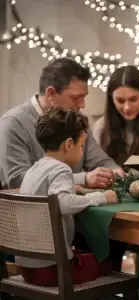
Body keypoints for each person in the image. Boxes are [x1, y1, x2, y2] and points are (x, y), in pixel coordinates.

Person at [16, 108, 119, 286]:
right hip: (53, 271)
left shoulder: (34, 169)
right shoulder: (62, 169)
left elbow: (51, 187)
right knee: (109, 261)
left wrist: (77, 183)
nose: (82, 150)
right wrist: (100, 197)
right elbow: (61, 201)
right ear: (68, 144)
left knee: (85, 253)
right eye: (81, 145)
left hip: (28, 269)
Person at [0, 58, 124, 190]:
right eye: (76, 97)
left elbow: (101, 162)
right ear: (51, 94)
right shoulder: (13, 123)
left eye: (84, 97)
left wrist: (115, 172)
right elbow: (17, 181)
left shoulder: (77, 121)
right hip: (31, 210)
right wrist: (83, 179)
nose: (83, 105)